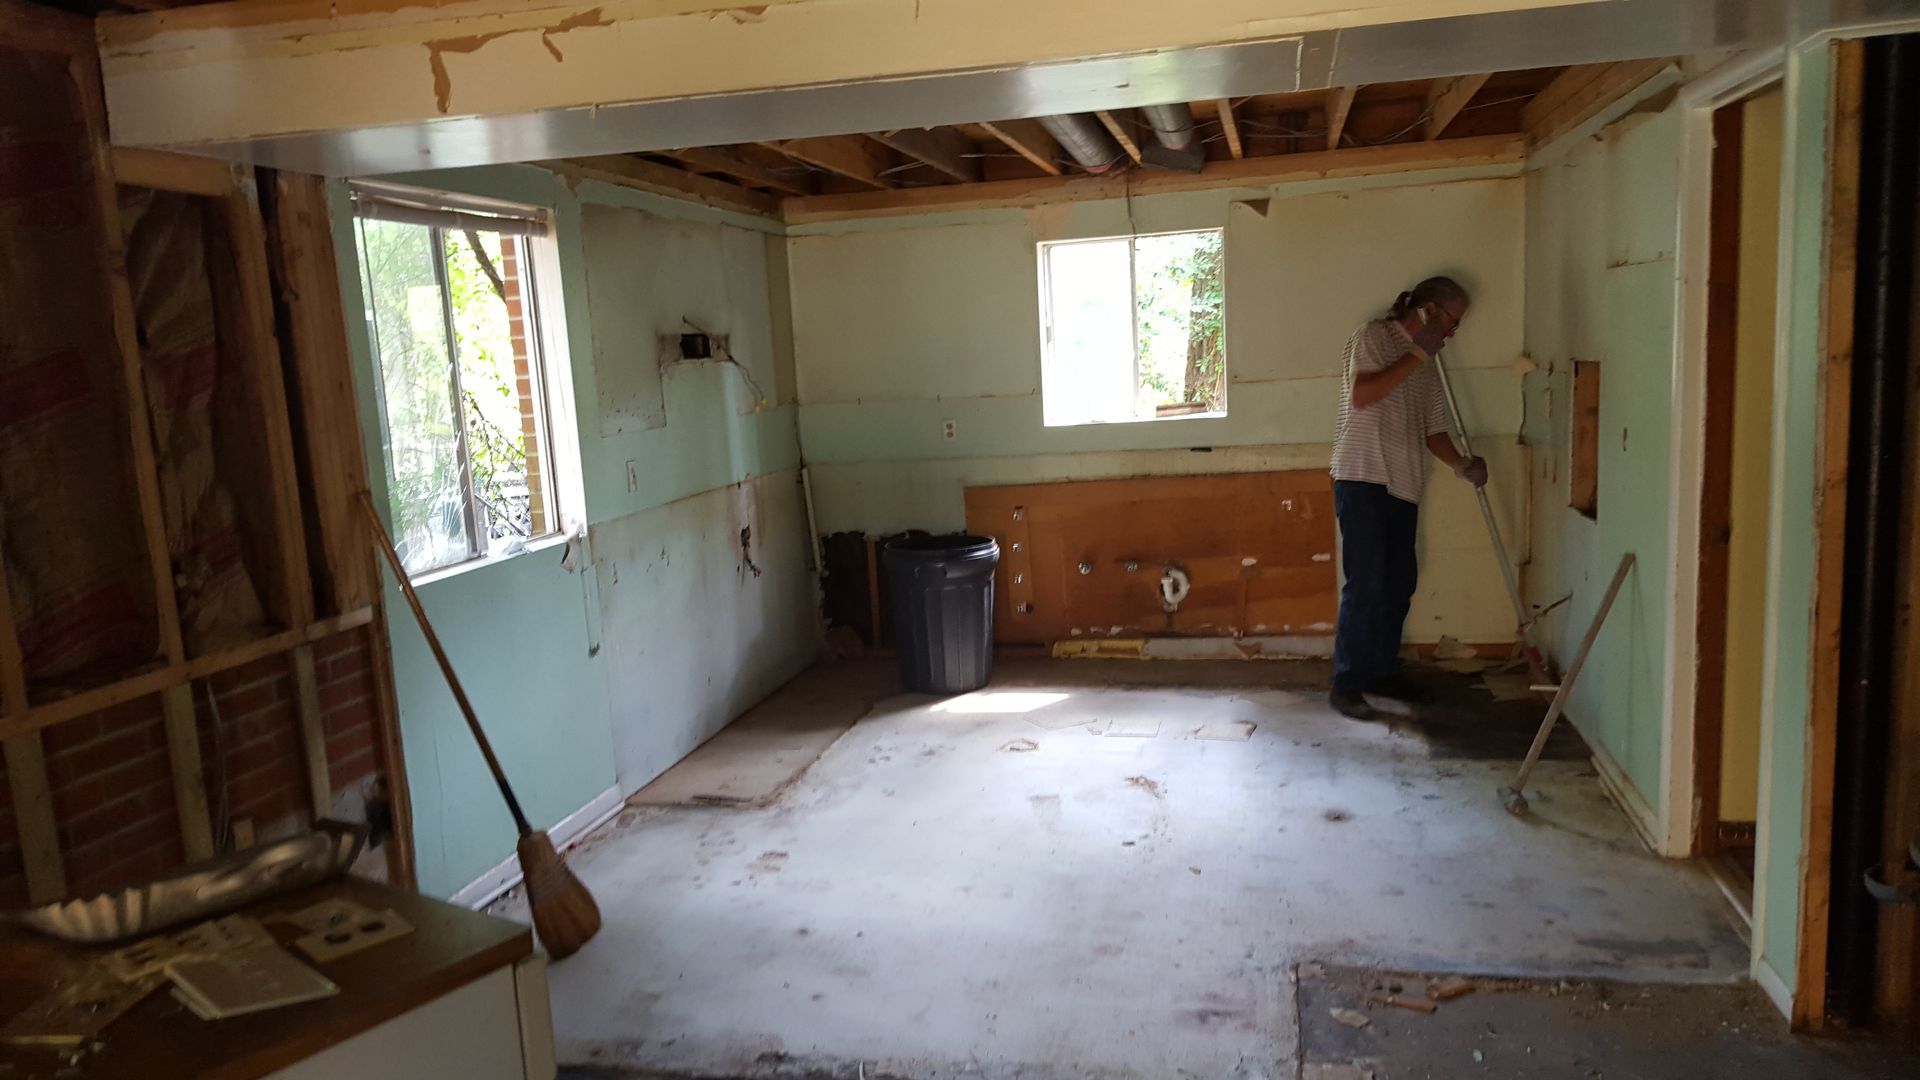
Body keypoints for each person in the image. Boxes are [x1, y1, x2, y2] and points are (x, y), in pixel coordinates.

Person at [1327, 276, 1488, 720]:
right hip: (1362, 477)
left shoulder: (1429, 365)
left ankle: (1381, 671)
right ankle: (1347, 683)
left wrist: (1461, 464)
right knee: (1366, 584)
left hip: (1404, 483)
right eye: (1451, 322)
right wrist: (1420, 353)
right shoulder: (1374, 337)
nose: (1452, 334)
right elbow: (1363, 395)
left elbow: (1433, 430)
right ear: (1429, 309)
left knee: (1399, 583)